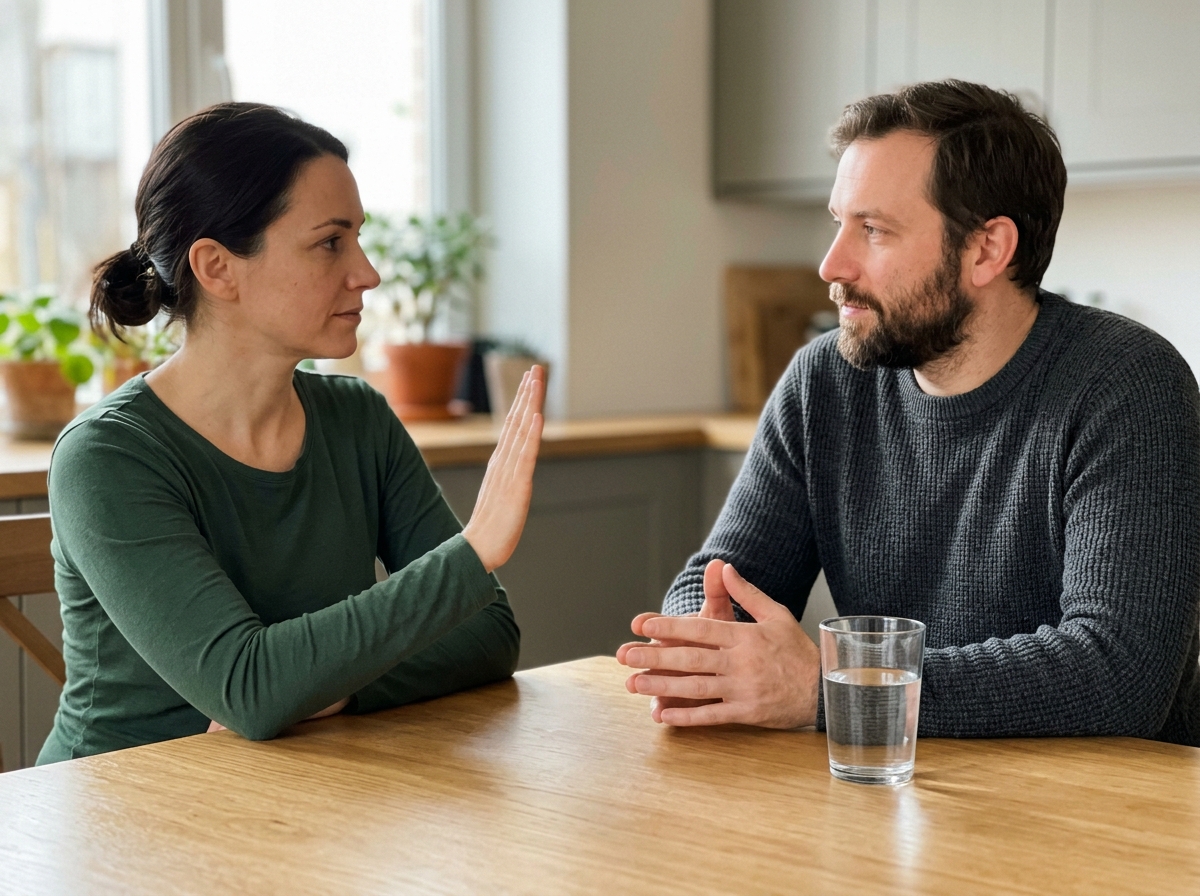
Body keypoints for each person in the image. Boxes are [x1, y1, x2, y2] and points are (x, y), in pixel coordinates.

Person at [617, 80, 1200, 745]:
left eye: (874, 230)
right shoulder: (824, 380)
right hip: (899, 790)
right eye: (839, 222)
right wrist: (713, 641)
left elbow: (1118, 676)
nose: (831, 263)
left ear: (987, 250)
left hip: (1108, 817)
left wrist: (828, 687)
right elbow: (718, 580)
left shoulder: (1128, 384)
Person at [39, 103, 544, 763]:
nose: (367, 272)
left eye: (358, 238)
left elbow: (488, 637)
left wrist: (325, 690)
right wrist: (473, 551)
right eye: (331, 241)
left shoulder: (357, 419)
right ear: (217, 268)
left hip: (295, 802)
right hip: (120, 825)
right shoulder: (107, 458)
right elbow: (248, 688)